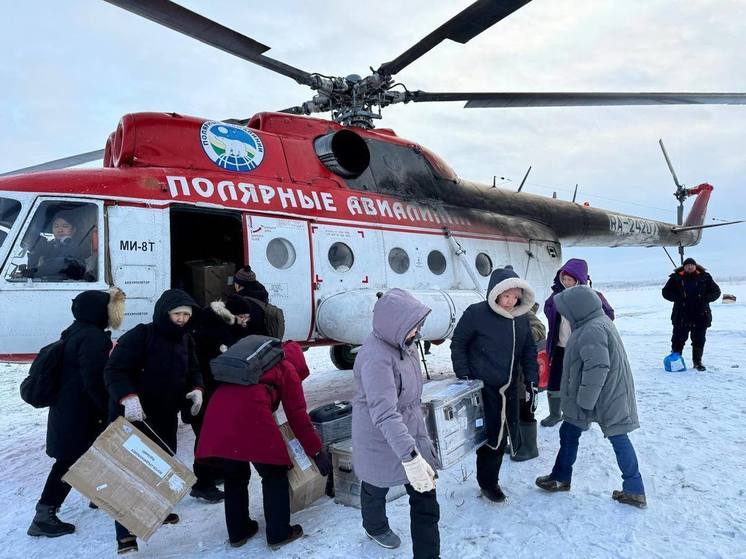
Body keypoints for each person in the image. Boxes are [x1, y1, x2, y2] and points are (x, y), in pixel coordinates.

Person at [196, 341, 329, 550]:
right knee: (274, 474)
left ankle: (238, 532)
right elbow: (298, 417)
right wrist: (317, 451)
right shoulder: (287, 369)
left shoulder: (250, 366)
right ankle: (279, 533)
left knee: (234, 476)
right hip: (251, 417)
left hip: (218, 417)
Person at [104, 289, 204, 554]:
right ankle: (125, 537)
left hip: (164, 416)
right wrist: (127, 397)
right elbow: (114, 369)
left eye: (186, 314)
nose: (182, 319)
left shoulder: (185, 339)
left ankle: (154, 511)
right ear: (163, 313)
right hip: (134, 416)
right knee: (131, 473)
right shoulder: (141, 335)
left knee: (160, 467)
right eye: (177, 314)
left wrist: (197, 389)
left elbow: (194, 368)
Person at [536, 285, 646, 508]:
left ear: (578, 307)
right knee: (570, 433)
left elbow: (597, 368)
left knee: (617, 437)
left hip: (602, 397)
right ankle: (561, 477)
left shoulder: (591, 330)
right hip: (606, 393)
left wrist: (584, 403)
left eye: (566, 310)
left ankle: (634, 489)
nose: (564, 314)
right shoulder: (596, 322)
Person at [27, 287, 125, 538]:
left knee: (90, 455)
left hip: (68, 410)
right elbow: (93, 380)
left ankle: (97, 496)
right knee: (69, 462)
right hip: (81, 413)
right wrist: (109, 408)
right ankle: (44, 514)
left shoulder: (76, 331)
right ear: (99, 312)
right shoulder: (93, 338)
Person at [352, 288, 440, 559]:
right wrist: (411, 456)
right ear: (395, 324)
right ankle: (375, 526)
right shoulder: (376, 358)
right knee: (376, 482)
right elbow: (385, 413)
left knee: (425, 496)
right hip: (380, 435)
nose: (417, 333)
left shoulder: (405, 344)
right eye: (414, 327)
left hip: (407, 429)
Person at [451, 267, 538, 502]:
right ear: (495, 293)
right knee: (489, 438)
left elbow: (529, 351)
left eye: (514, 296)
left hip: (508, 390)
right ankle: (487, 483)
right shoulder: (476, 313)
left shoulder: (520, 319)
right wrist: (465, 378)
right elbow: (458, 344)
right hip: (482, 389)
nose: (510, 302)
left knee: (502, 437)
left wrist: (532, 381)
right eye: (506, 296)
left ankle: (491, 480)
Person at [188, 294, 263, 502]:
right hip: (203, 392)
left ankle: (214, 472)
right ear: (234, 314)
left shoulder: (219, 323)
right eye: (243, 317)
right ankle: (203, 483)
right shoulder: (215, 330)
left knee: (212, 434)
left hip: (207, 390)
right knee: (207, 436)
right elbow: (219, 364)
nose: (245, 322)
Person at [541, 258, 614, 427]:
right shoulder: (556, 296)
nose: (566, 283)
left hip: (581, 348)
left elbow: (608, 315)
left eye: (570, 279)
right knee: (555, 379)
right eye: (564, 279)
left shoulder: (592, 296)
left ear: (579, 279)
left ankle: (584, 416)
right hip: (560, 346)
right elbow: (547, 309)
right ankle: (554, 414)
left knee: (581, 382)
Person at [662, 257, 721, 371]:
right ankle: (676, 361)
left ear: (695, 266)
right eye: (687, 265)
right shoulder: (676, 277)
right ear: (684, 267)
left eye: (691, 265)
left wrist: (705, 299)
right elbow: (666, 292)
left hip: (700, 314)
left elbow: (716, 291)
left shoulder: (705, 277)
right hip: (682, 315)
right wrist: (677, 298)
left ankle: (697, 362)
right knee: (678, 339)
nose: (689, 267)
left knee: (699, 339)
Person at [510, 302, 546, 462]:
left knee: (526, 406)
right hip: (510, 371)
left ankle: (530, 448)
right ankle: (517, 442)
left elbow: (540, 330)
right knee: (514, 408)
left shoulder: (524, 312)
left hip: (525, 372)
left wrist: (517, 333)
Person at [25, 211, 92, 281]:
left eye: (65, 226)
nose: (60, 230)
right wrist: (34, 252)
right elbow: (33, 265)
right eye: (56, 226)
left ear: (73, 230)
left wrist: (36, 270)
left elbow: (63, 262)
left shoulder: (79, 246)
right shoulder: (49, 246)